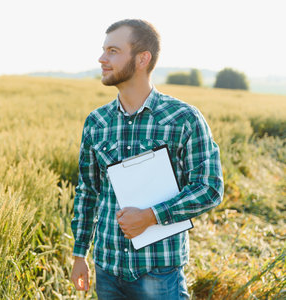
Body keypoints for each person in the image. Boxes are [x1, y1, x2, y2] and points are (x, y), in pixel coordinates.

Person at [70, 19, 224, 299]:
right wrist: (80, 254)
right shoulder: (97, 122)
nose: (102, 58)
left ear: (143, 58)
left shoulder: (183, 118)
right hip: (107, 269)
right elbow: (87, 192)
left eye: (113, 51)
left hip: (159, 272)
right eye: (104, 50)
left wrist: (151, 217)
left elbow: (209, 188)